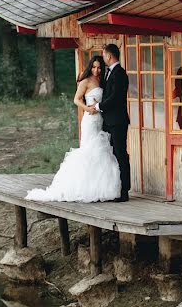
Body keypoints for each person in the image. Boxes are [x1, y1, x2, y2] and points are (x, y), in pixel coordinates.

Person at [26, 56, 121, 203]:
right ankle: (82, 187)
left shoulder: (102, 81)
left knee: (101, 150)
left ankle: (99, 187)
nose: (97, 70)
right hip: (90, 119)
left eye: (99, 67)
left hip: (101, 119)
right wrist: (88, 108)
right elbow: (76, 99)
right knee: (89, 150)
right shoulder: (86, 81)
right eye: (94, 67)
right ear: (90, 67)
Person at [95, 43, 131, 201]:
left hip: (117, 121)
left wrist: (98, 106)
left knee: (120, 154)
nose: (103, 58)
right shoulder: (110, 73)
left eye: (104, 55)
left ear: (109, 56)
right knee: (111, 154)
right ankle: (113, 187)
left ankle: (124, 190)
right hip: (109, 121)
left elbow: (115, 98)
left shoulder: (120, 74)